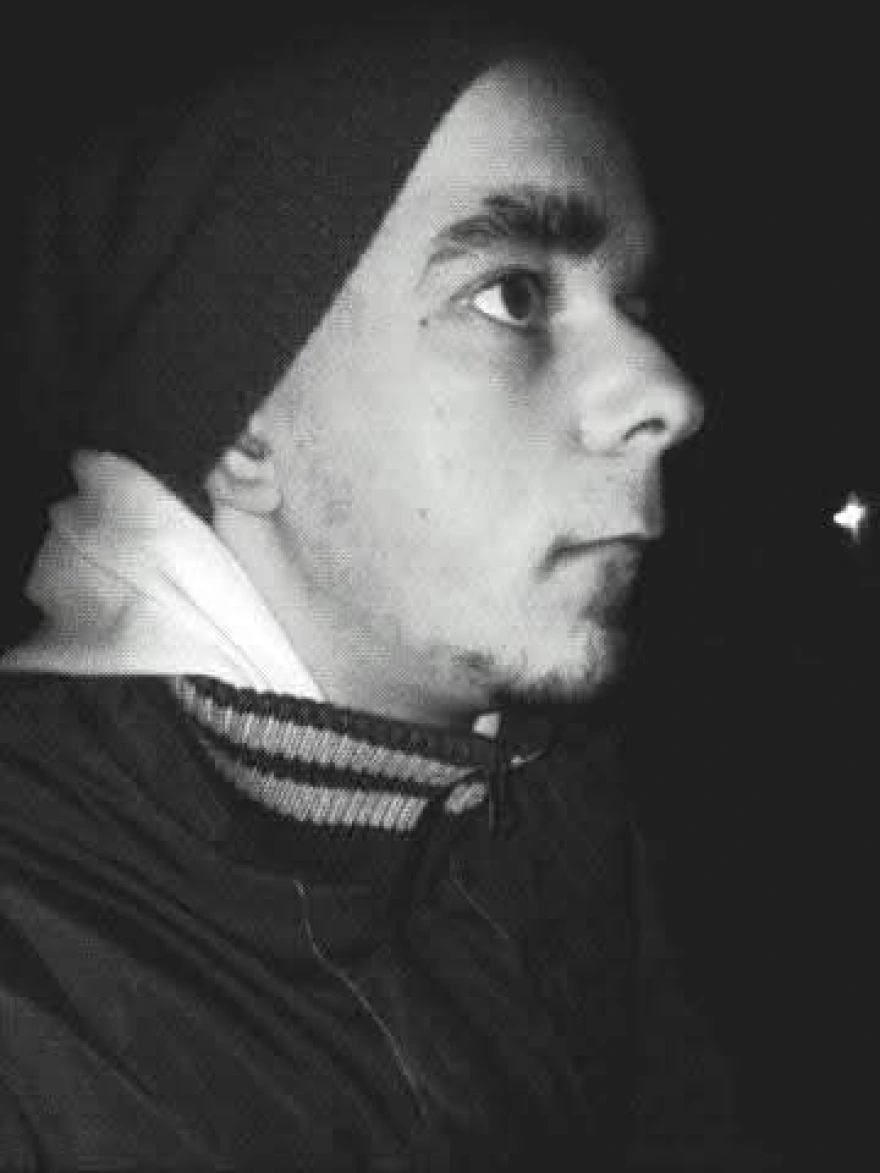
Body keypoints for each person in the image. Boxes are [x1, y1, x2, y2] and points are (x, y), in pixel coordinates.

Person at [0, 14, 773, 1170]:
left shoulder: (546, 785)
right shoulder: (40, 986)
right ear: (241, 426)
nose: (667, 392)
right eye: (513, 297)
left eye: (638, 307)